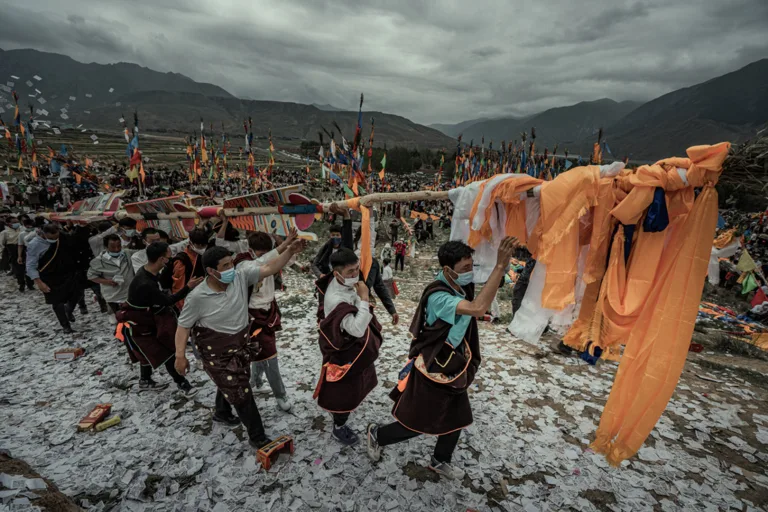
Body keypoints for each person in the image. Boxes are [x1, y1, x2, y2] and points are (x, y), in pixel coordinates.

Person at [366, 238, 518, 479]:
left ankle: (440, 460)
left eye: (471, 266)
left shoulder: (456, 284)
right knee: (418, 421)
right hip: (434, 365)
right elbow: (477, 308)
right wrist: (500, 267)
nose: (470, 273)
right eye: (465, 268)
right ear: (448, 270)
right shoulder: (439, 296)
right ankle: (378, 434)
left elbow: (479, 304)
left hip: (453, 363)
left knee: (456, 416)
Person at [174, 240, 306, 450]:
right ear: (211, 271)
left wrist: (289, 250)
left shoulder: (240, 275)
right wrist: (180, 356)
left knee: (232, 380)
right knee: (241, 391)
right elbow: (183, 327)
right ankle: (257, 436)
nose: (230, 269)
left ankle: (222, 412)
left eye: (231, 263)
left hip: (240, 344)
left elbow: (270, 266)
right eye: (225, 266)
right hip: (215, 351)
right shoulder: (197, 297)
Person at [217, 222, 298, 413]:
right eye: (260, 254)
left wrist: (287, 246)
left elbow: (289, 260)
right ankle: (280, 395)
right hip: (251, 315)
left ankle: (256, 379)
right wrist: (283, 245)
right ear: (251, 250)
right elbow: (262, 263)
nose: (264, 257)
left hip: (269, 310)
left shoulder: (271, 256)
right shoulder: (243, 262)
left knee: (259, 350)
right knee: (269, 355)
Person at [314, 249, 383, 446]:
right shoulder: (336, 299)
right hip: (344, 350)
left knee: (357, 384)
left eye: (357, 269)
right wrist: (364, 298)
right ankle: (339, 426)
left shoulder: (343, 282)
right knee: (343, 393)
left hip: (356, 348)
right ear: (336, 274)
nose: (356, 275)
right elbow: (357, 329)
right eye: (351, 272)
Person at [117, 242, 203, 391]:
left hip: (144, 321)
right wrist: (188, 287)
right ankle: (183, 384)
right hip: (141, 323)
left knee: (146, 352)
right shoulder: (146, 283)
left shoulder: (146, 272)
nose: (170, 260)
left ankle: (145, 380)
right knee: (166, 353)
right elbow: (168, 301)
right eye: (169, 257)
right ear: (162, 260)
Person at [26, 223, 86, 334]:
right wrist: (39, 282)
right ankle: (65, 326)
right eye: (51, 238)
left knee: (78, 294)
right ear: (44, 233)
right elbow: (30, 265)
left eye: (56, 237)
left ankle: (68, 311)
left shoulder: (61, 237)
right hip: (49, 277)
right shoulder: (34, 245)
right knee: (57, 302)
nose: (54, 240)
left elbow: (74, 239)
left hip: (67, 273)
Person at [88, 234, 138, 315]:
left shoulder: (127, 253)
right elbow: (91, 276)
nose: (117, 249)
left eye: (119, 246)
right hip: (113, 296)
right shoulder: (98, 261)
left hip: (129, 294)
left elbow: (142, 253)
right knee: (121, 317)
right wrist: (108, 281)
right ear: (106, 247)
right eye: (113, 247)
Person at [170, 228, 209, 308]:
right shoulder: (181, 261)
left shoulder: (204, 255)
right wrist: (182, 307)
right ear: (190, 243)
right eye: (199, 245)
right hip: (187, 300)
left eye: (204, 246)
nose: (202, 248)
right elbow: (178, 287)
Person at [311, 211, 352, 277]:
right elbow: (314, 264)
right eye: (333, 235)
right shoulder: (326, 248)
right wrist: (320, 275)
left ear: (341, 236)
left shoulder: (345, 249)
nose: (335, 237)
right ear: (330, 236)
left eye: (337, 235)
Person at [0, 216, 25, 292]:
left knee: (27, 268)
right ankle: (21, 283)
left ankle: (30, 284)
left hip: (24, 250)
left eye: (17, 222)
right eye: (14, 222)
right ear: (8, 223)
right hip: (13, 252)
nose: (16, 224)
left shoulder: (22, 229)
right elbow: (1, 245)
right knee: (18, 270)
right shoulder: (4, 233)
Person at [15, 218, 37, 291]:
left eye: (31, 226)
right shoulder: (22, 234)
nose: (29, 228)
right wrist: (19, 256)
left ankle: (30, 284)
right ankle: (21, 284)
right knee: (22, 270)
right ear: (24, 226)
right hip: (26, 251)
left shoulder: (36, 232)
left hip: (35, 251)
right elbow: (20, 245)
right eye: (27, 226)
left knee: (30, 269)